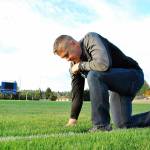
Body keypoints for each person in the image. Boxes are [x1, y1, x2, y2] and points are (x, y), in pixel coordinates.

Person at [53, 32, 150, 132]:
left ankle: (101, 126)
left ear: (73, 43)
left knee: (94, 75)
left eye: (67, 54)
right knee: (123, 123)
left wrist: (80, 66)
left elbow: (103, 64)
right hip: (116, 87)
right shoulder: (74, 64)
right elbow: (77, 92)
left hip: (133, 76)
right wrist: (73, 119)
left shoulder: (90, 39)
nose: (67, 59)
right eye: (64, 58)